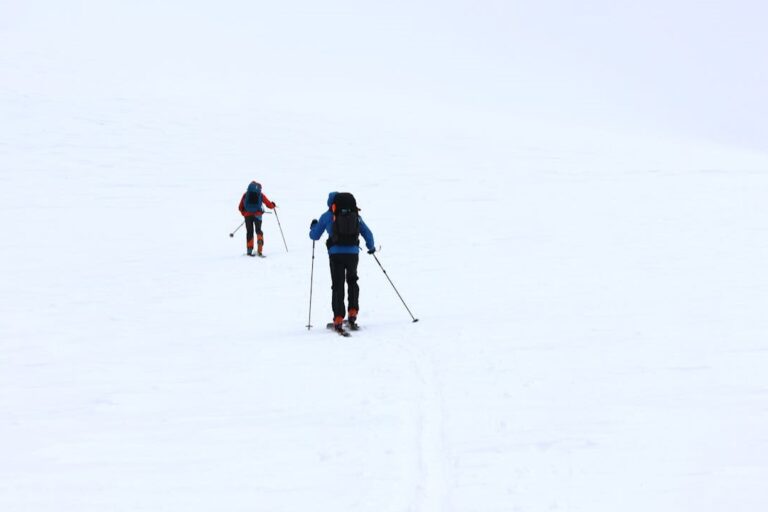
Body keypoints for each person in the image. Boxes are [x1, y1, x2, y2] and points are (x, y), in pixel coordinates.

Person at [309, 191, 375, 332]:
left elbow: (314, 236)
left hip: (336, 254)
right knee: (352, 280)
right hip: (353, 254)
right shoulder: (355, 215)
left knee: (337, 285)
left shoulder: (327, 216)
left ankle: (338, 318)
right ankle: (352, 312)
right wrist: (371, 247)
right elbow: (367, 233)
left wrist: (313, 226)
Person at [238, 181, 276, 256]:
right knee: (258, 230)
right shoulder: (260, 194)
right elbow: (268, 204)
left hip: (247, 216)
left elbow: (240, 207)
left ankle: (249, 251)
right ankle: (259, 248)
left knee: (249, 232)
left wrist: (244, 214)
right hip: (258, 215)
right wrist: (273, 205)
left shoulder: (246, 195)